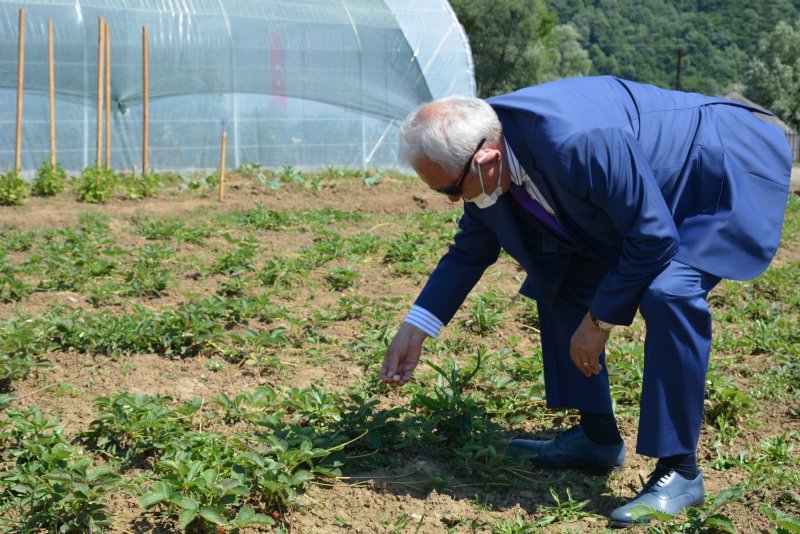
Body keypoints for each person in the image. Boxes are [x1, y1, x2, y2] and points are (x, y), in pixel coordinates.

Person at [379, 76, 792, 526]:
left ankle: (681, 470)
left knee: (669, 292)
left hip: (709, 170)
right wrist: (416, 326)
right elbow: (471, 249)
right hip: (633, 189)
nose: (452, 201)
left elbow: (652, 238)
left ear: (487, 160)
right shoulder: (481, 143)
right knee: (557, 272)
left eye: (450, 191)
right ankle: (597, 438)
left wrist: (598, 321)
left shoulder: (579, 142)